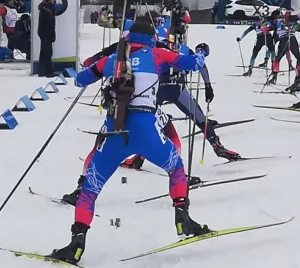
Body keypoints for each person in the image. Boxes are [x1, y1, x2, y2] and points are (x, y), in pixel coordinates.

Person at [50, 18, 210, 264]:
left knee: (90, 190)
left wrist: (98, 67)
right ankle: (183, 219)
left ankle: (76, 245)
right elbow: (193, 63)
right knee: (176, 168)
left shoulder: (113, 60)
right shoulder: (158, 54)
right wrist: (201, 51)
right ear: (151, 38)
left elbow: (80, 79)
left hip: (114, 131)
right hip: (146, 129)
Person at [37, 0, 57, 77]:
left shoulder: (47, 7)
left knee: (44, 52)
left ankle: (42, 71)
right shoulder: (46, 9)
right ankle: (48, 71)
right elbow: (49, 23)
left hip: (45, 32)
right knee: (47, 52)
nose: (54, 0)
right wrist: (52, 33)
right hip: (46, 32)